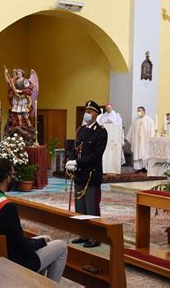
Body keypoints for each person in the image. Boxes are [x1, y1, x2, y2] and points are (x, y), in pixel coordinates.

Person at [0, 158, 67, 282]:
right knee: (61, 246)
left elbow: (14, 239)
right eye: (12, 174)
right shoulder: (7, 207)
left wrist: (40, 240)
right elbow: (23, 246)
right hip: (12, 262)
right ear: (7, 178)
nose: (13, 178)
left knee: (43, 240)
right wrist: (42, 242)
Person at [66, 100, 108, 248]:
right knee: (80, 206)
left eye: (90, 112)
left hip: (91, 175)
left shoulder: (101, 132)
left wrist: (78, 162)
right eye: (86, 111)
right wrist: (70, 160)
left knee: (91, 207)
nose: (87, 114)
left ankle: (95, 237)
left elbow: (97, 155)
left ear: (97, 114)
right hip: (79, 174)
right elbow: (74, 149)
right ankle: (83, 234)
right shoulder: (81, 130)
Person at [126, 106, 155, 173]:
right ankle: (138, 168)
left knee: (144, 154)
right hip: (137, 142)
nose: (139, 112)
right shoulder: (135, 120)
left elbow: (152, 131)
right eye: (138, 111)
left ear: (144, 111)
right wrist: (128, 138)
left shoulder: (149, 120)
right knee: (137, 153)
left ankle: (145, 168)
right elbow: (131, 131)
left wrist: (151, 139)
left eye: (140, 110)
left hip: (145, 142)